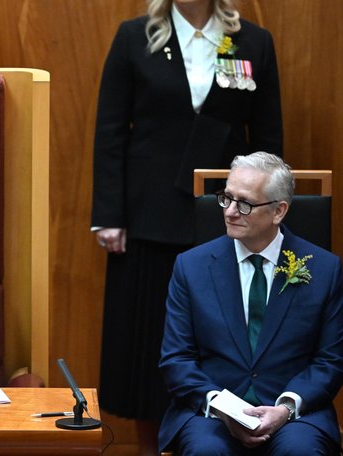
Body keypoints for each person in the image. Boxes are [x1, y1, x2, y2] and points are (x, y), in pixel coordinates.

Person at [90, 0, 283, 450]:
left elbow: (269, 137)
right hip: (148, 217)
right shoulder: (134, 36)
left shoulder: (253, 41)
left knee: (223, 337)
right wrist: (109, 215)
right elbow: (110, 131)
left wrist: (268, 213)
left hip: (229, 217)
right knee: (148, 348)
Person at [158, 152, 343, 454]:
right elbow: (176, 358)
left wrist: (286, 408)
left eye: (244, 203)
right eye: (226, 198)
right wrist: (223, 406)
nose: (230, 212)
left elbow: (330, 361)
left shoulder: (324, 270)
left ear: (279, 211)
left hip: (295, 414)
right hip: (211, 411)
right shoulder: (191, 267)